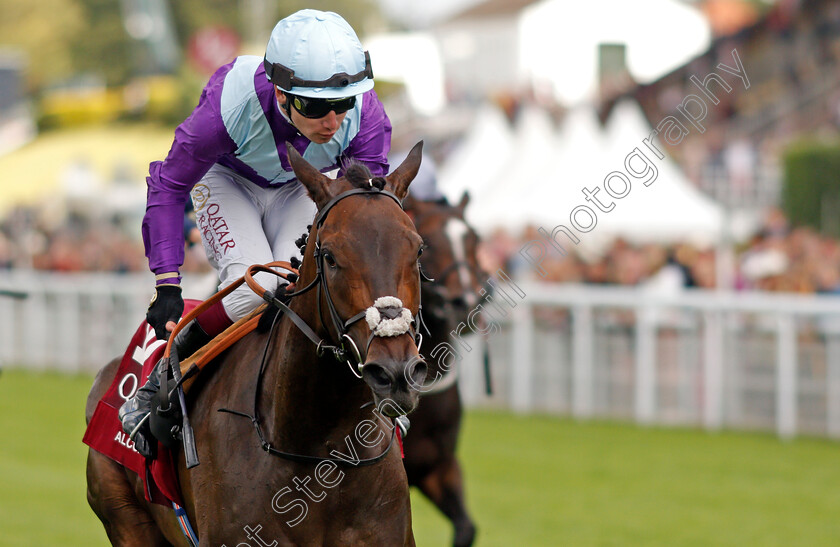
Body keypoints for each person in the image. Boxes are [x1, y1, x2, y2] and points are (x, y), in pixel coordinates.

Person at [120, 9, 392, 457]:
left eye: (343, 104)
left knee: (305, 285)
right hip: (225, 181)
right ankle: (162, 378)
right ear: (282, 96)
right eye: (316, 106)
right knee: (258, 287)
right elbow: (169, 185)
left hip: (301, 183)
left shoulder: (367, 115)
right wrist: (167, 282)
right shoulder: (232, 100)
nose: (333, 121)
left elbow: (367, 211)